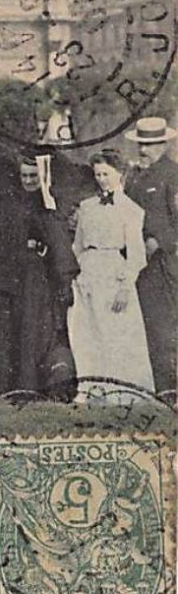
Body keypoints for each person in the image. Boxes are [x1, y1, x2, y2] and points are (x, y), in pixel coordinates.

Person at [0, 155, 78, 396]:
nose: (27, 181)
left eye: (33, 176)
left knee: (30, 333)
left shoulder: (49, 204)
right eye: (24, 176)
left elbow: (57, 242)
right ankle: (2, 391)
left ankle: (29, 389)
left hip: (35, 278)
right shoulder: (7, 202)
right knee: (3, 333)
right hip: (7, 277)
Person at [69, 149, 153, 402]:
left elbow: (137, 254)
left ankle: (123, 392)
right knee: (86, 331)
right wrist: (80, 271)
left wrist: (126, 287)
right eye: (98, 174)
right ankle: (91, 389)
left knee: (115, 332)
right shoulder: (87, 206)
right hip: (88, 271)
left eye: (106, 174)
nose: (102, 179)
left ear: (120, 174)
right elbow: (77, 245)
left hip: (114, 273)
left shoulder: (131, 210)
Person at [124, 117, 178, 396]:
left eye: (150, 145)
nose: (144, 150)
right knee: (140, 326)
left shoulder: (173, 175)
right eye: (141, 144)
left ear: (163, 144)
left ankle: (170, 392)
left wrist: (159, 241)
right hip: (137, 265)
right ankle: (149, 389)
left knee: (164, 329)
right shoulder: (133, 177)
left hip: (163, 267)